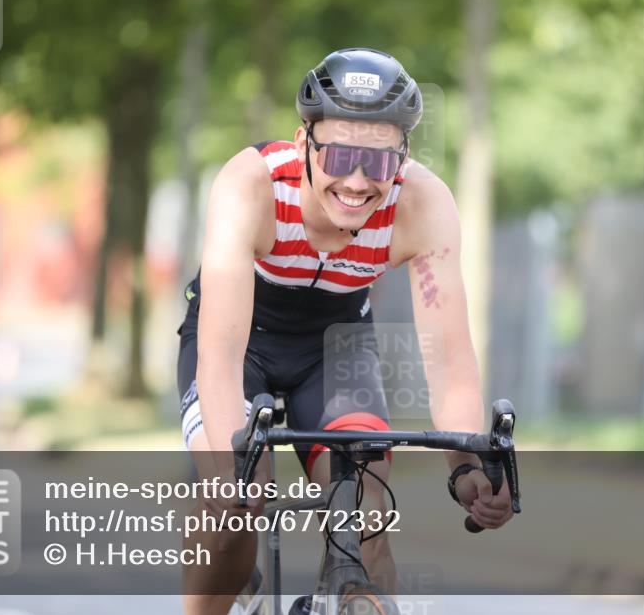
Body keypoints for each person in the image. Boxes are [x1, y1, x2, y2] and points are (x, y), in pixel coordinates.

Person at [178, 48, 514, 614]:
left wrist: (465, 465)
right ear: (303, 142)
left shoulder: (422, 204)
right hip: (239, 342)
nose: (357, 181)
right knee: (235, 507)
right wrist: (233, 472)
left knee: (366, 515)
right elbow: (220, 356)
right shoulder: (251, 185)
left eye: (378, 163)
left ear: (403, 157)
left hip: (335, 346)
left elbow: (451, 361)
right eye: (338, 155)